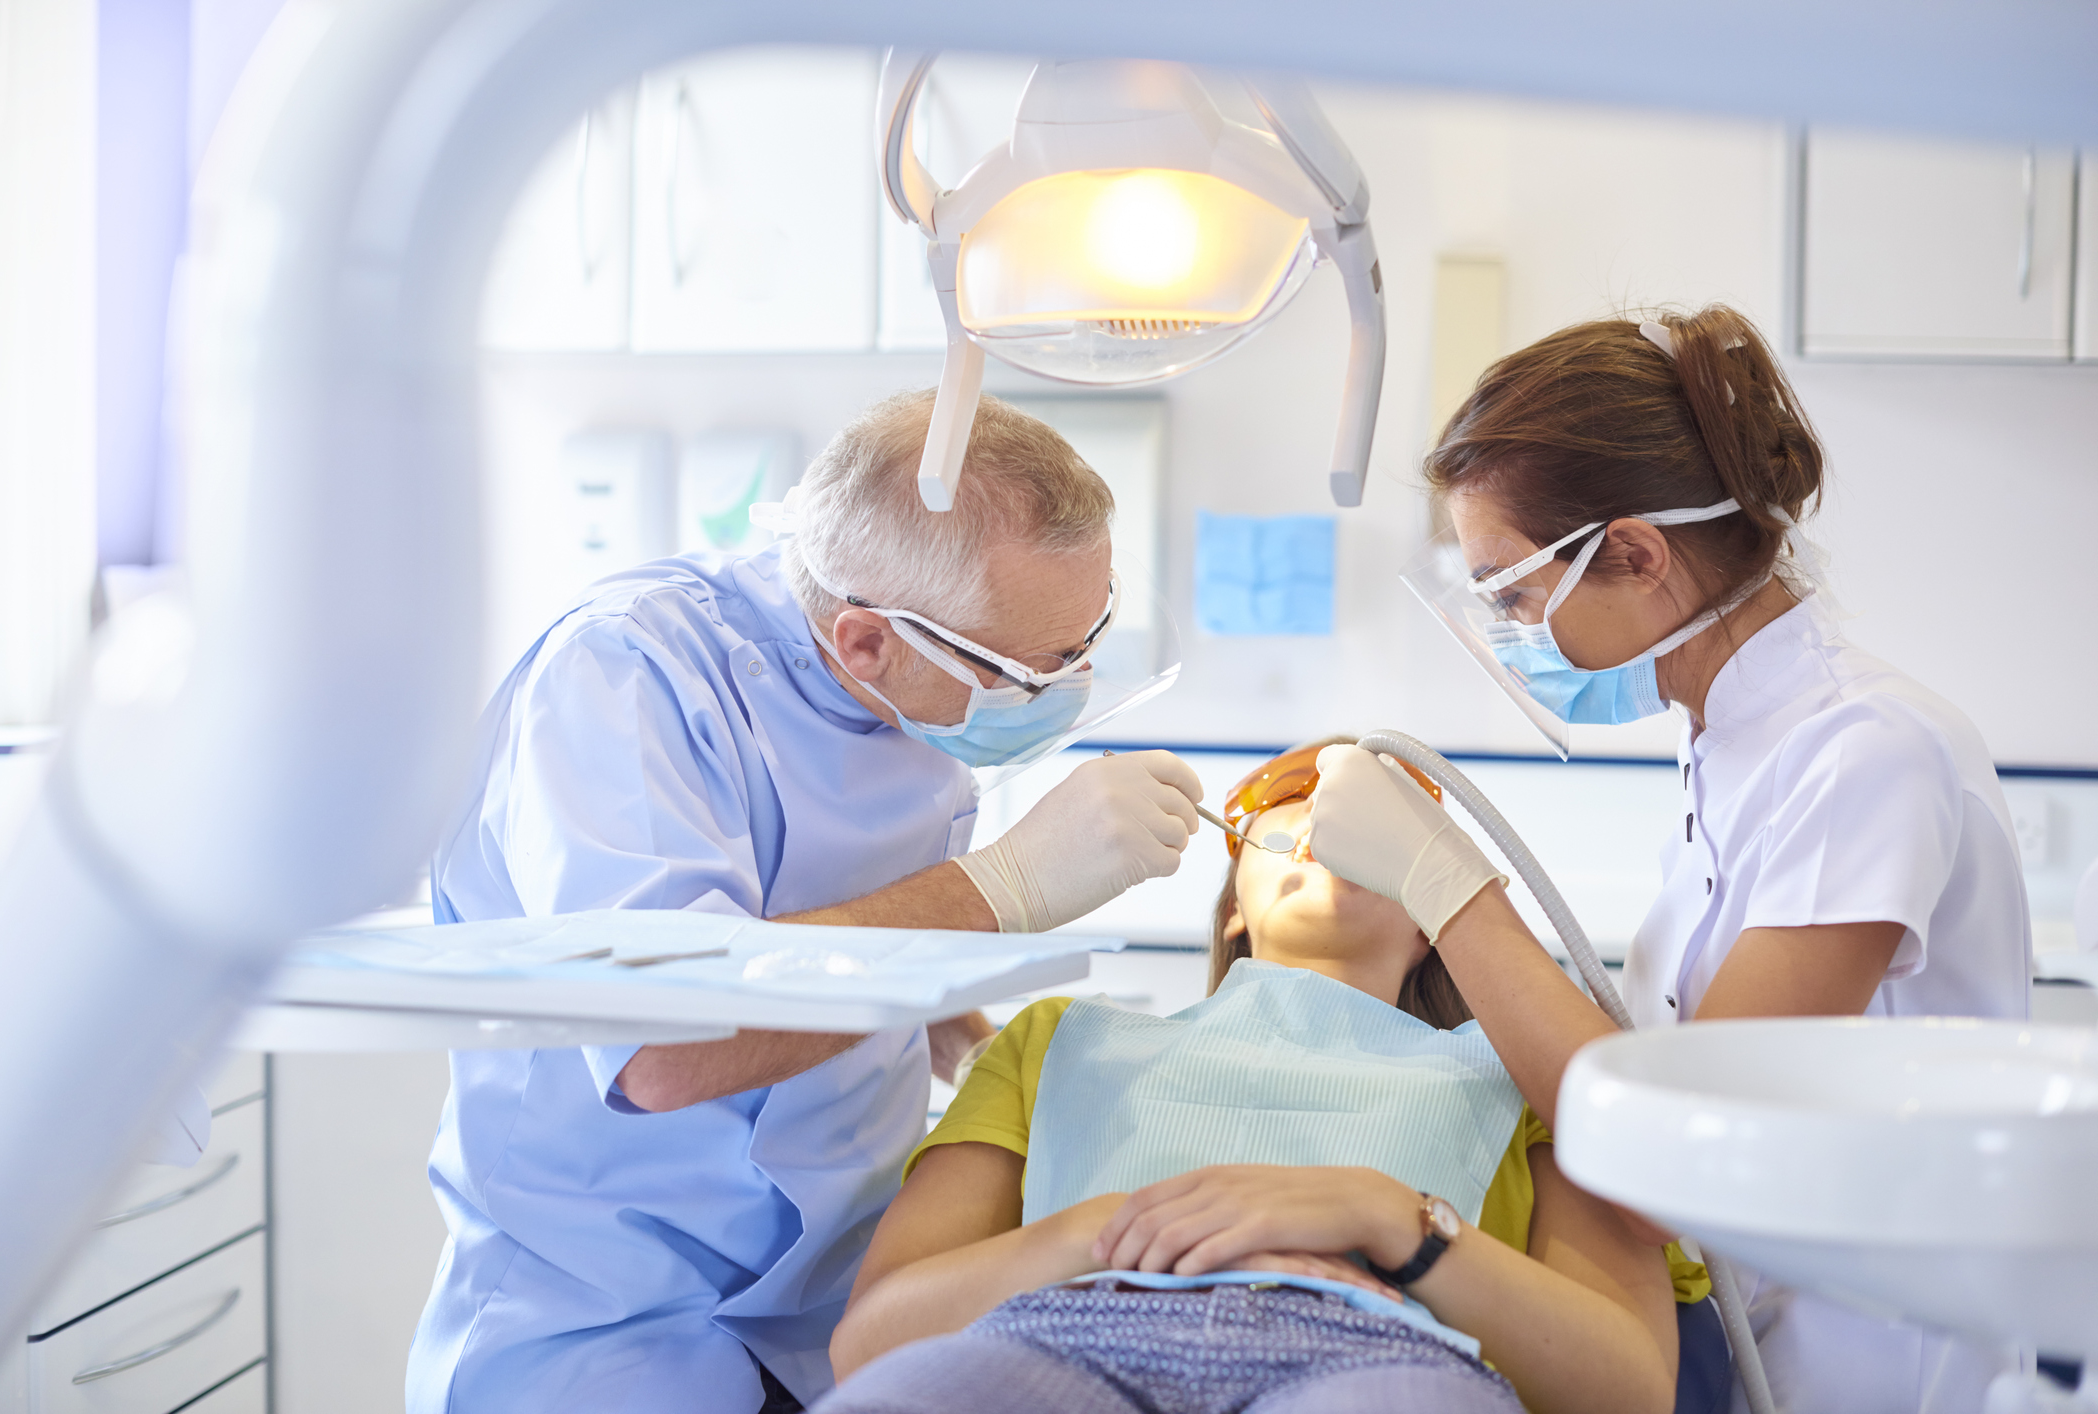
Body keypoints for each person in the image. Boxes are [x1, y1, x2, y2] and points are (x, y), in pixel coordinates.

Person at [407, 391, 1207, 1414]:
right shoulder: (623, 678)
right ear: (866, 640)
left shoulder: (920, 691)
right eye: (1035, 670)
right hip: (606, 1314)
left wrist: (989, 1062)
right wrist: (1003, 887)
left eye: (1090, 635)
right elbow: (668, 1050)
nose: (1073, 685)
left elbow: (856, 930)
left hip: (832, 1300)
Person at [1308, 305, 2033, 1414]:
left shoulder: (1864, 753)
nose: (1505, 629)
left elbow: (1680, 1154)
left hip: (1878, 1369)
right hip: (1752, 1347)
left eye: (1508, 590)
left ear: (1636, 552)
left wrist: (1445, 887)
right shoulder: (1727, 743)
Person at [820, 741, 1717, 1414]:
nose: (1326, 820)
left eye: (1384, 829)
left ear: (1430, 923)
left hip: (1377, 1357)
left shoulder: (1530, 1076)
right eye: (1292, 803)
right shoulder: (1055, 1042)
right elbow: (872, 1344)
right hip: (1067, 1335)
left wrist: (1390, 1220)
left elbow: (1628, 1387)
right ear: (1235, 910)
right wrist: (1110, 1229)